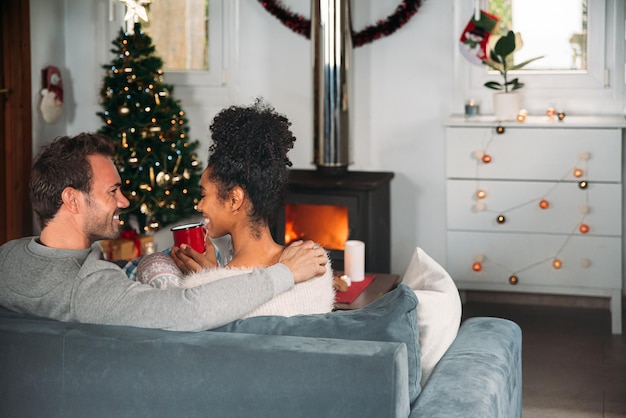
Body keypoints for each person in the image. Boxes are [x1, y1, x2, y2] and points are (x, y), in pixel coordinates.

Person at [0, 133, 327, 331]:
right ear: (71, 199)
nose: (124, 201)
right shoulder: (92, 289)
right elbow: (190, 310)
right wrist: (285, 273)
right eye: (112, 191)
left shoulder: (8, 257)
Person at [136, 100, 335, 317]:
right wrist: (213, 275)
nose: (199, 205)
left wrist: (208, 279)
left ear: (234, 199)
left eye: (203, 194)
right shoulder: (314, 263)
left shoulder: (201, 293)